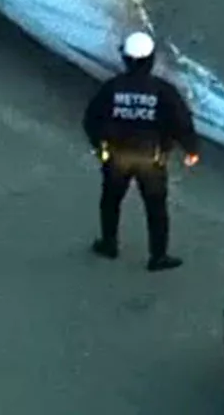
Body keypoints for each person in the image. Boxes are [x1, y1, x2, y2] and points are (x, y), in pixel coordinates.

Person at [83, 31, 200, 272]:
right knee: (156, 208)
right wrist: (191, 149)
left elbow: (91, 120)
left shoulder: (112, 88)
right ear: (150, 60)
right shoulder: (163, 91)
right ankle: (158, 256)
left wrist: (99, 147)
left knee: (111, 201)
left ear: (126, 59)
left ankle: (109, 244)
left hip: (116, 158)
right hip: (152, 160)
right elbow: (181, 121)